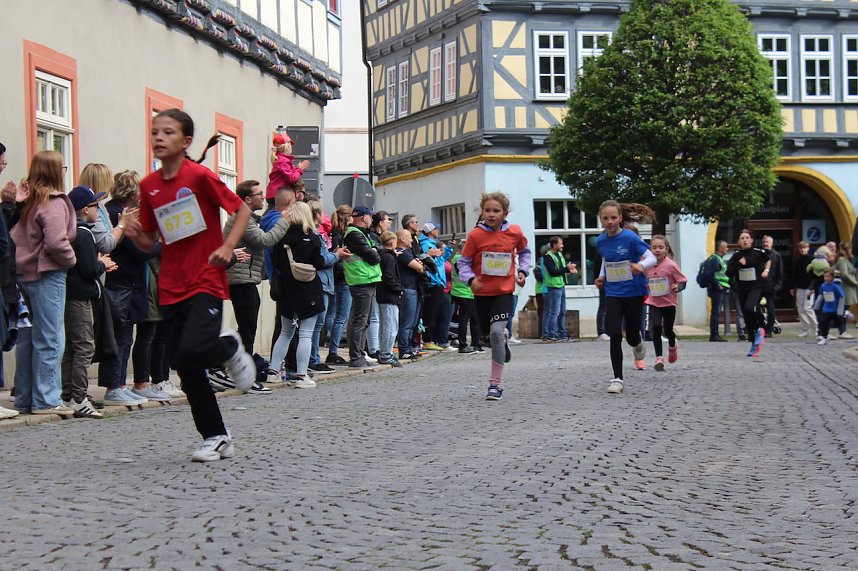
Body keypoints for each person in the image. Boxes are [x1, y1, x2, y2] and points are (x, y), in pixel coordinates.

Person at [128, 108, 255, 462]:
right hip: (171, 283)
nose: (158, 137)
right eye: (155, 131)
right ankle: (216, 436)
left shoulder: (199, 176)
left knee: (192, 351)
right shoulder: (148, 185)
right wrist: (137, 234)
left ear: (185, 142)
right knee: (184, 365)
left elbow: (241, 210)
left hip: (205, 279)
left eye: (167, 132)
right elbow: (152, 240)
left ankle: (227, 349)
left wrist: (227, 247)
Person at [11, 150, 77, 415]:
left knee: (27, 339)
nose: (64, 170)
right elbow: (56, 242)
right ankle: (47, 400)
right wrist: (71, 259)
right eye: (62, 167)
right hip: (47, 275)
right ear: (53, 171)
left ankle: (26, 397)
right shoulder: (54, 202)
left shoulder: (28, 203)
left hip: (22, 276)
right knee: (51, 338)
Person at [99, 170, 166, 406]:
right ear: (133, 192)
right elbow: (141, 250)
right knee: (120, 336)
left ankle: (120, 384)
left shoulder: (121, 212)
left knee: (126, 336)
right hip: (121, 282)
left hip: (129, 282)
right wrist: (160, 243)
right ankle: (113, 386)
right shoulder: (118, 214)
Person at [457, 192, 531, 401]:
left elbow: (525, 253)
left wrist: (523, 271)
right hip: (481, 292)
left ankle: (495, 385)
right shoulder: (475, 235)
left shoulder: (514, 232)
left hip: (503, 291)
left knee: (497, 332)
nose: (491, 214)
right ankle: (501, 341)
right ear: (482, 212)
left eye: (496, 211)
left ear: (504, 213)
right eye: (487, 210)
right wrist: (471, 280)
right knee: (488, 337)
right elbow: (463, 262)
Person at [61, 185, 117, 418]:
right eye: (96, 205)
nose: (98, 209)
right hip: (81, 297)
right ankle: (79, 396)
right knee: (84, 346)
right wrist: (101, 263)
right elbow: (87, 269)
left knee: (72, 348)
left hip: (71, 296)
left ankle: (67, 393)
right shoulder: (83, 234)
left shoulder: (74, 231)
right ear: (86, 209)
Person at [593, 201, 657, 393]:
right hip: (613, 291)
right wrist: (602, 276)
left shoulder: (630, 238)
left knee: (630, 335)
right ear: (601, 220)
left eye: (613, 217)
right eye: (606, 218)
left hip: (634, 292)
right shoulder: (601, 241)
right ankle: (617, 379)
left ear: (620, 218)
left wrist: (641, 266)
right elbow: (606, 260)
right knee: (614, 333)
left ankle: (636, 342)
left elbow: (651, 257)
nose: (610, 221)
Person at [225, 179, 290, 355]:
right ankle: (238, 366)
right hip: (240, 279)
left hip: (246, 278)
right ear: (247, 199)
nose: (263, 197)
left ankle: (235, 362)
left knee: (248, 327)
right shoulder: (242, 218)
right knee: (247, 328)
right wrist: (283, 222)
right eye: (259, 194)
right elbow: (264, 240)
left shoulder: (249, 218)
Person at [269, 202, 327, 387]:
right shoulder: (312, 237)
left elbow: (276, 262)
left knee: (285, 332)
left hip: (286, 289)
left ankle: (273, 371)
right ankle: (302, 375)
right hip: (308, 288)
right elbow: (319, 262)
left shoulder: (281, 237)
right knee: (306, 333)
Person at [307, 200, 348, 374]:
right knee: (317, 324)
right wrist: (337, 256)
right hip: (321, 281)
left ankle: (314, 357)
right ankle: (313, 358)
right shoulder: (315, 235)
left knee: (319, 323)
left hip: (326, 281)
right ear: (316, 215)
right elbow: (321, 260)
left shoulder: (319, 235)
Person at [343, 205, 382, 369]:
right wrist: (374, 251)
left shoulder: (360, 234)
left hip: (367, 279)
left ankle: (359, 354)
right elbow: (374, 256)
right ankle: (356, 356)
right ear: (363, 217)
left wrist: (374, 251)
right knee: (359, 320)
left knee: (362, 320)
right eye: (370, 216)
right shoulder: (354, 234)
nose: (372, 220)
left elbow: (376, 252)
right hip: (361, 280)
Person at [644, 235, 687, 371]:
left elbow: (683, 281)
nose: (657, 250)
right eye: (654, 247)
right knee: (656, 327)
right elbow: (642, 277)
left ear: (666, 249)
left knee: (668, 329)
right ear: (650, 249)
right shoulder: (647, 264)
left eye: (660, 247)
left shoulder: (671, 265)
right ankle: (659, 357)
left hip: (669, 302)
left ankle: (672, 346)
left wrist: (677, 287)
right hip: (654, 301)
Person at [726, 229, 771, 358]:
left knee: (749, 307)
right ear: (738, 241)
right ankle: (753, 343)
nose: (745, 240)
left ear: (751, 240)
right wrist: (738, 265)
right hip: (742, 288)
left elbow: (768, 260)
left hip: (756, 287)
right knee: (746, 315)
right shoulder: (736, 255)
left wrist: (766, 270)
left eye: (747, 238)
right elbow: (728, 272)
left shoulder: (758, 253)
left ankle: (761, 328)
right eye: (742, 238)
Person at [323, 204, 353, 366]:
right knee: (341, 316)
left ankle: (329, 344)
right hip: (342, 278)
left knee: (332, 313)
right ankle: (333, 350)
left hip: (334, 276)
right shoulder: (340, 235)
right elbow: (339, 256)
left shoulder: (333, 233)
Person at [418, 222, 454, 351]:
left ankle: (435, 340)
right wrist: (432, 253)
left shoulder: (431, 243)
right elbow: (428, 257)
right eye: (435, 229)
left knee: (439, 312)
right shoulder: (427, 244)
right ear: (430, 231)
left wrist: (448, 249)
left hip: (438, 282)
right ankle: (428, 340)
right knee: (431, 313)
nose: (437, 230)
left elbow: (440, 260)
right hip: (433, 282)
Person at [394, 229, 425, 360]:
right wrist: (420, 264)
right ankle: (404, 348)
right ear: (402, 239)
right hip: (408, 290)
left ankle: (409, 347)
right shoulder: (403, 253)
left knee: (413, 322)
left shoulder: (407, 253)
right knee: (407, 321)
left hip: (414, 289)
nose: (412, 240)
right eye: (409, 237)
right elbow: (419, 268)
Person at [540, 236, 577, 342]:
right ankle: (552, 334)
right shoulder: (548, 257)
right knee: (554, 312)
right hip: (553, 286)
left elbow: (561, 269)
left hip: (561, 285)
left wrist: (569, 270)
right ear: (554, 245)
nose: (562, 245)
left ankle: (562, 334)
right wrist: (566, 269)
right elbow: (552, 271)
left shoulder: (560, 255)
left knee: (562, 311)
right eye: (560, 243)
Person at [376, 231, 403, 367]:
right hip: (390, 295)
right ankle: (386, 353)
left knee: (385, 325)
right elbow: (389, 277)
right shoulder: (389, 258)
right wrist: (399, 289)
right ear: (392, 243)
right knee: (391, 326)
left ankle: (384, 351)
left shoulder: (382, 256)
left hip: (382, 295)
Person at [450, 238, 480, 354]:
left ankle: (475, 343)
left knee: (474, 320)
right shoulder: (459, 259)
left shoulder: (462, 259)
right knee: (464, 320)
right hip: (463, 293)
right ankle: (463, 345)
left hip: (468, 293)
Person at [265, 133, 309, 208]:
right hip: (278, 195)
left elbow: (287, 175)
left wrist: (297, 169)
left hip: (274, 194)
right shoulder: (283, 161)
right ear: (287, 147)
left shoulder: (280, 160)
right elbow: (291, 178)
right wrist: (299, 169)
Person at [701, 240, 729, 342]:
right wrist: (717, 284)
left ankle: (715, 334)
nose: (727, 249)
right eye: (726, 247)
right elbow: (709, 274)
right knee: (715, 312)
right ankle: (714, 334)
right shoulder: (715, 259)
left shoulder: (718, 259)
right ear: (720, 248)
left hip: (718, 288)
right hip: (716, 289)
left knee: (716, 311)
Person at [790, 240, 818, 338]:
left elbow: (815, 276)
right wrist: (792, 287)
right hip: (800, 287)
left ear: (808, 248)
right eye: (801, 248)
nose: (802, 250)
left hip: (809, 288)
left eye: (804, 248)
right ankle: (805, 329)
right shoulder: (799, 260)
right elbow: (795, 274)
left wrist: (813, 288)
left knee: (807, 308)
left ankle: (817, 328)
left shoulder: (812, 260)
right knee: (801, 309)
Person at [814, 269, 845, 346]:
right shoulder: (823, 286)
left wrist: (840, 310)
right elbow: (821, 296)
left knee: (839, 322)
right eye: (825, 276)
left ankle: (846, 316)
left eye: (828, 276)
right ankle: (824, 337)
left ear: (832, 277)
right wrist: (816, 306)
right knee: (824, 322)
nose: (826, 278)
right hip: (826, 309)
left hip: (835, 309)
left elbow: (842, 297)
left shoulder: (835, 286)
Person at [760, 235, 783, 337]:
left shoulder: (776, 255)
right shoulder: (758, 254)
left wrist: (778, 285)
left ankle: (769, 330)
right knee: (755, 308)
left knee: (771, 309)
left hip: (771, 286)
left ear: (772, 243)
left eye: (767, 242)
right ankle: (761, 327)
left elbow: (780, 272)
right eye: (764, 242)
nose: (765, 244)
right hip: (759, 286)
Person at [833, 242, 857, 339]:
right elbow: (844, 274)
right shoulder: (842, 260)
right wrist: (855, 282)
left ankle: (842, 330)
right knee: (843, 310)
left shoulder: (847, 260)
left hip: (848, 288)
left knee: (844, 310)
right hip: (845, 288)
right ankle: (842, 331)